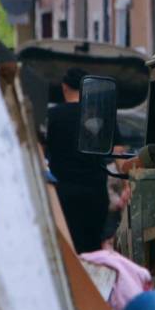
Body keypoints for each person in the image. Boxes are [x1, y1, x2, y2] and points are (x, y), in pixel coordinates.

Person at [45, 67, 110, 253]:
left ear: (64, 87)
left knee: (66, 248)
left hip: (62, 193)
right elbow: (117, 150)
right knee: (91, 249)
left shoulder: (52, 115)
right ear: (87, 88)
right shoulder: (98, 115)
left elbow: (39, 150)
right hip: (95, 194)